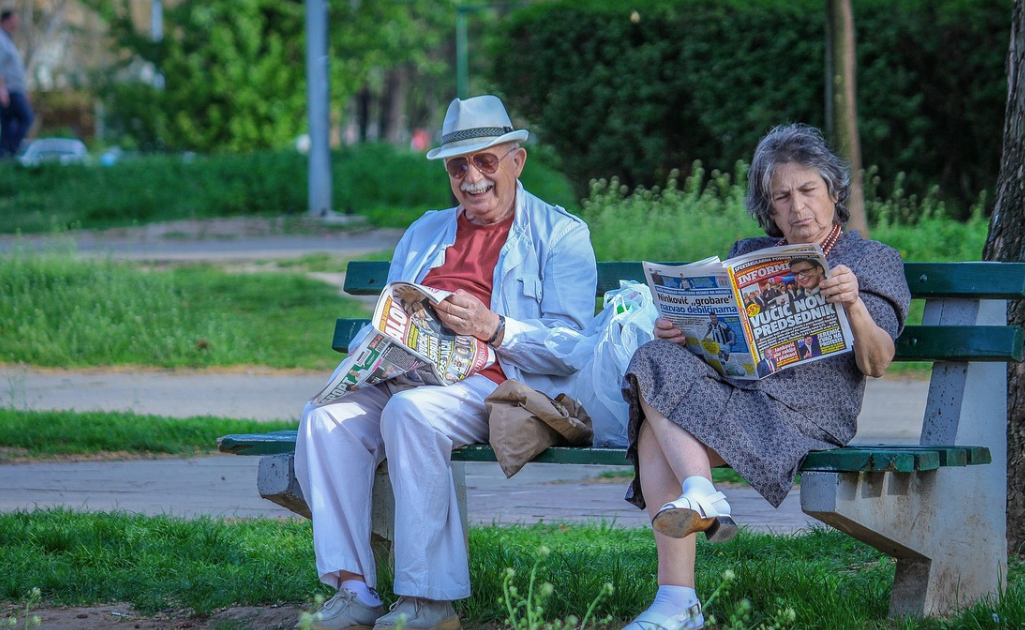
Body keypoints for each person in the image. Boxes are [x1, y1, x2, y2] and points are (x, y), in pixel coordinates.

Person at [294, 95, 597, 630]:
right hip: (411, 376)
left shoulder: (560, 233)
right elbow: (390, 310)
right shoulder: (425, 231)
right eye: (459, 166)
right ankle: (354, 588)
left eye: (487, 161)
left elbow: (573, 346)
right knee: (325, 418)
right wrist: (379, 347)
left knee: (411, 414)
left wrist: (495, 327)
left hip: (499, 385)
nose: (473, 177)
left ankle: (429, 603)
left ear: (516, 161)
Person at [618, 123, 910, 630]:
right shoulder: (749, 252)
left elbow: (878, 361)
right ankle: (698, 503)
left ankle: (677, 598)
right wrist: (682, 332)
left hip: (806, 419)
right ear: (768, 209)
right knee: (651, 359)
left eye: (807, 190)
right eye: (782, 197)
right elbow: (716, 347)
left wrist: (854, 305)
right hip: (740, 397)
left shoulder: (869, 260)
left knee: (654, 430)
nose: (798, 207)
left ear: (832, 191)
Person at [0, 10, 34, 161]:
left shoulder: (7, 40)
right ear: (6, 21)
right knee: (27, 117)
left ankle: (3, 158)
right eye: (15, 20)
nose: (17, 23)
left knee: (7, 124)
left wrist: (24, 90)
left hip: (14, 89)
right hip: (7, 89)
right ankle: (12, 149)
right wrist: (1, 89)